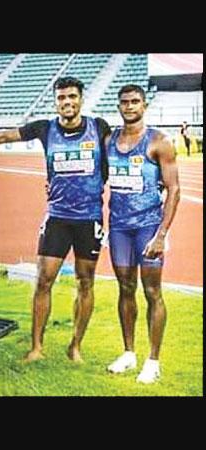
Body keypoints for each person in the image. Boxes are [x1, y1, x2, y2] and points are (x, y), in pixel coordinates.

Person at [0, 76, 112, 363]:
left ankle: (76, 346)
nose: (67, 102)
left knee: (85, 283)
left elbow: (116, 157)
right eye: (61, 98)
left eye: (72, 97)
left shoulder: (98, 127)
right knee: (43, 281)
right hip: (57, 219)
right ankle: (36, 348)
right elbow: (5, 137)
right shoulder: (44, 128)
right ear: (55, 101)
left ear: (81, 99)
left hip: (89, 220)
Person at [105, 84, 180, 384]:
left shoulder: (159, 142)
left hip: (148, 227)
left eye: (135, 102)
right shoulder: (110, 140)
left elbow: (174, 190)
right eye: (124, 102)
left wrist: (161, 234)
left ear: (144, 105)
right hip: (119, 227)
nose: (130, 106)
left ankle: (153, 360)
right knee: (125, 288)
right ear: (119, 106)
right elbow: (95, 176)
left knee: (152, 293)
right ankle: (128, 353)